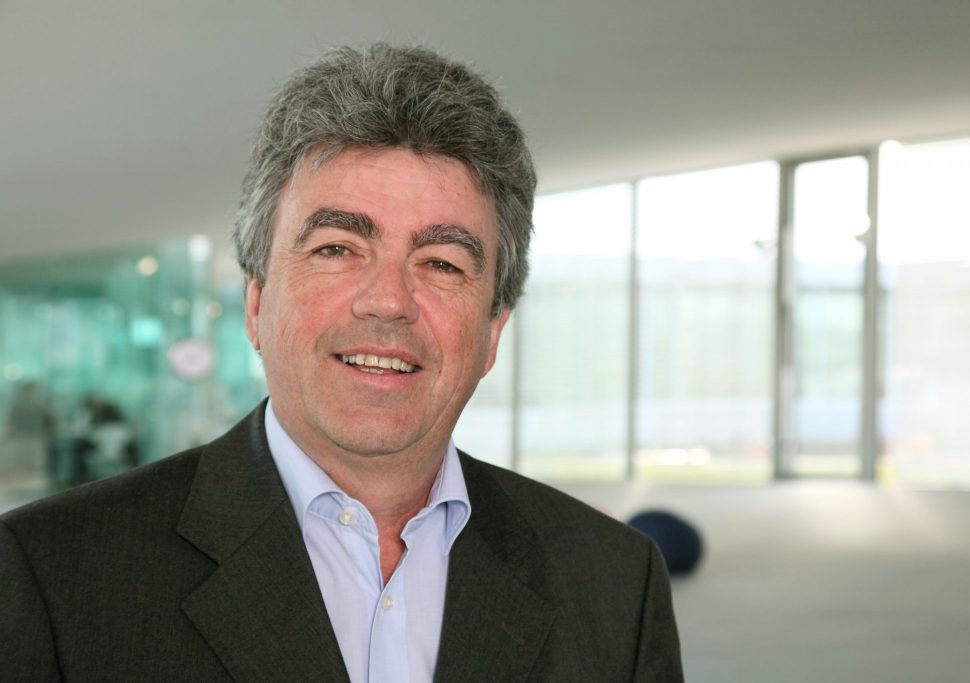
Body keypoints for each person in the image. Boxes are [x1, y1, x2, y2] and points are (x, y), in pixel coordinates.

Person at [1, 44, 684, 682]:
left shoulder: (616, 583)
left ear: (494, 330)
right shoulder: (52, 575)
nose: (388, 300)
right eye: (336, 249)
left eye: (442, 263)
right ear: (256, 300)